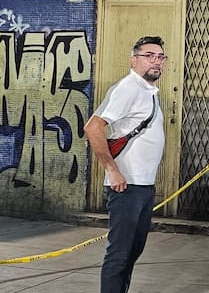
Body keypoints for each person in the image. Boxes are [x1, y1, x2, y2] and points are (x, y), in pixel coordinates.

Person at [84, 36, 167, 293]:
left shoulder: (147, 90)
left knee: (132, 251)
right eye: (149, 56)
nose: (156, 61)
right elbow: (93, 127)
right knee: (120, 254)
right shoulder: (128, 88)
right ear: (134, 60)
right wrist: (112, 169)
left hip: (143, 185)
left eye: (160, 57)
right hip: (126, 186)